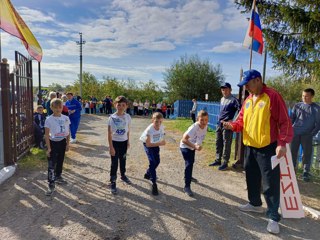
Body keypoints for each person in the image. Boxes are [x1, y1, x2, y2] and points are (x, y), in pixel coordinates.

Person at [222, 69, 293, 234]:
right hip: (250, 147)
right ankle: (254, 204)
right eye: (245, 85)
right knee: (251, 177)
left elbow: (285, 122)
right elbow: (241, 121)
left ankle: (274, 217)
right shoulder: (248, 99)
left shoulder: (272, 96)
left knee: (270, 183)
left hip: (268, 147)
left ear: (258, 80)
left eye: (248, 83)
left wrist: (282, 143)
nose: (246, 87)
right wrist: (232, 125)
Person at [209, 82, 240, 170]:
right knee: (218, 142)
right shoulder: (222, 99)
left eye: (226, 89)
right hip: (219, 124)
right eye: (222, 89)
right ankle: (218, 159)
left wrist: (233, 121)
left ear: (230, 90)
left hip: (227, 125)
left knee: (227, 143)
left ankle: (225, 162)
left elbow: (241, 110)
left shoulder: (234, 100)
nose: (224, 90)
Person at [290, 88, 320, 182]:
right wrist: (290, 130)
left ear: (312, 96)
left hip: (307, 135)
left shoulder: (316, 108)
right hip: (295, 134)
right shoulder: (297, 106)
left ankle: (305, 173)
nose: (304, 98)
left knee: (306, 154)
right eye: (303, 96)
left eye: (306, 96)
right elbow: (291, 119)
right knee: (292, 153)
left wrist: (312, 134)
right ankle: (291, 171)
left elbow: (318, 124)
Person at [44, 98, 70, 196]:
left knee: (60, 160)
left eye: (59, 107)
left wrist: (68, 144)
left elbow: (68, 132)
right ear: (51, 108)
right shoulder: (49, 119)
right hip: (53, 143)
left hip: (62, 142)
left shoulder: (66, 118)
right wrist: (49, 148)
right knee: (51, 163)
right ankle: (51, 183)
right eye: (55, 107)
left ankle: (58, 176)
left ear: (62, 107)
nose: (58, 109)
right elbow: (46, 135)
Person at [180, 110, 209, 197]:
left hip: (192, 146)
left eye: (206, 120)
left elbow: (199, 138)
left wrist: (197, 145)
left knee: (191, 162)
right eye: (202, 120)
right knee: (189, 163)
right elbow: (184, 140)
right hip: (185, 146)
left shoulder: (206, 127)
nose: (204, 122)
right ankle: (186, 186)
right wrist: (195, 146)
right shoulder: (194, 127)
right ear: (197, 119)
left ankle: (188, 176)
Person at [108, 96, 132, 194]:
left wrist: (128, 142)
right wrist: (111, 147)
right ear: (115, 105)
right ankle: (113, 181)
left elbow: (128, 131)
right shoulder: (112, 117)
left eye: (123, 105)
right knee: (114, 163)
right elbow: (109, 133)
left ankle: (123, 175)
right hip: (115, 143)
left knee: (123, 159)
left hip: (124, 143)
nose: (121, 107)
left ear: (126, 106)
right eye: (119, 105)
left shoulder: (128, 117)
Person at [140, 112, 166, 195]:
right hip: (148, 145)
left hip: (155, 143)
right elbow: (148, 144)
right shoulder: (149, 130)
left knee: (157, 161)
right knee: (152, 162)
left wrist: (162, 140)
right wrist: (160, 143)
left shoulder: (161, 127)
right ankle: (154, 183)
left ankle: (148, 173)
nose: (158, 124)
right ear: (152, 120)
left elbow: (162, 134)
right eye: (156, 122)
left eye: (160, 122)